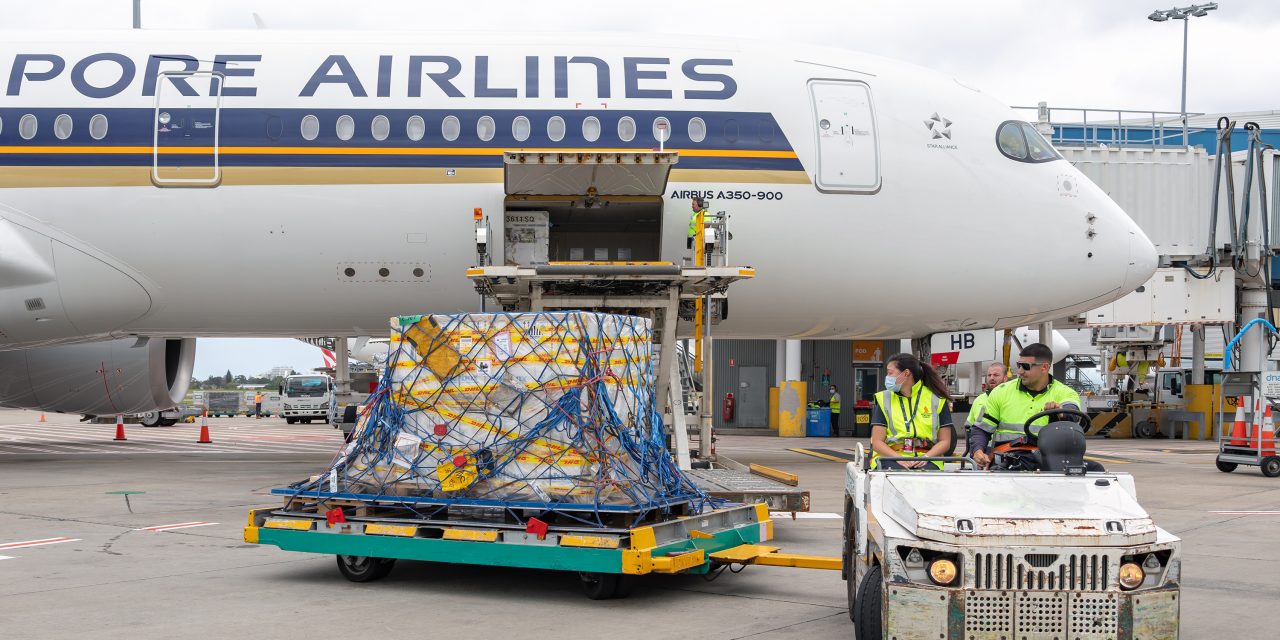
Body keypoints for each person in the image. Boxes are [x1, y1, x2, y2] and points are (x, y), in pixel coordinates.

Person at [972, 343, 1086, 470]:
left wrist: (1061, 412)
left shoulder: (1065, 392)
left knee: (1096, 469)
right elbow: (981, 429)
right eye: (1019, 365)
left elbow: (1073, 412)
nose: (1020, 371)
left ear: (1044, 367)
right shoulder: (1000, 392)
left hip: (1048, 460)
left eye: (1025, 366)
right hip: (1009, 458)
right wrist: (977, 450)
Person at [869, 353, 953, 470]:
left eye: (890, 373)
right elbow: (877, 442)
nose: (887, 377)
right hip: (891, 457)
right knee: (896, 476)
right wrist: (898, 458)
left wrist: (926, 457)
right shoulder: (884, 399)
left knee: (927, 478)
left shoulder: (937, 400)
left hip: (928, 457)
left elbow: (945, 441)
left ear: (906, 373)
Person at [964, 362, 1008, 467]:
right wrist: (975, 451)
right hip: (980, 450)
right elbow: (969, 427)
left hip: (1003, 450)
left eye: (996, 375)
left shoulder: (1010, 399)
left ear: (1005, 378)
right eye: (989, 375)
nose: (992, 378)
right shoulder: (979, 399)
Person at [687, 196, 707, 263]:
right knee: (693, 260)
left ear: (700, 204)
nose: (692, 206)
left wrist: (697, 234)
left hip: (698, 241)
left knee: (696, 261)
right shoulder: (695, 214)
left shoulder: (705, 214)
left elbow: (706, 225)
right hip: (693, 240)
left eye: (693, 204)